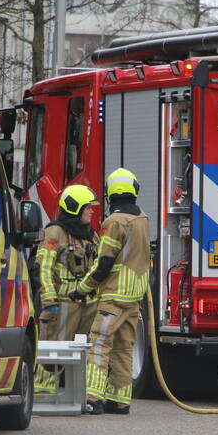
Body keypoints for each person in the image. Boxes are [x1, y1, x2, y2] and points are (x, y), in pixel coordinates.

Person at [69, 168, 150, 415]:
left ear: (110, 193)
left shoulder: (114, 222)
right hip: (135, 297)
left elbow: (103, 263)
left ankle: (94, 398)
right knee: (125, 348)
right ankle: (120, 400)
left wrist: (81, 289)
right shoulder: (143, 218)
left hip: (114, 297)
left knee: (98, 345)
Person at [32, 185, 99, 394]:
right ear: (75, 208)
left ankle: (75, 395)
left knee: (81, 352)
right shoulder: (55, 233)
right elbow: (43, 268)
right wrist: (49, 301)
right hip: (62, 305)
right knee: (53, 348)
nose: (91, 211)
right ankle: (43, 391)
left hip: (87, 305)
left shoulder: (90, 235)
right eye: (87, 207)